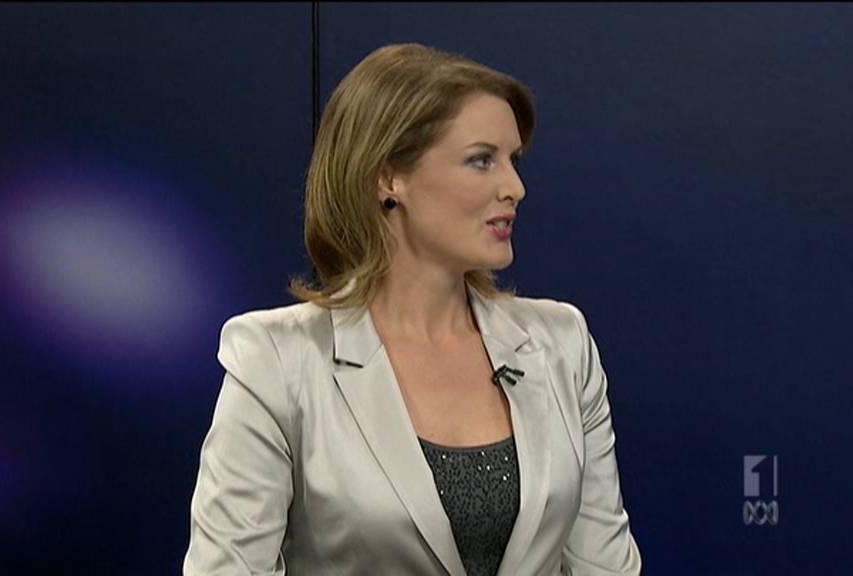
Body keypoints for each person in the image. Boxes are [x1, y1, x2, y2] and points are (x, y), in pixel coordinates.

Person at [183, 43, 642, 576]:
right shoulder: (278, 362)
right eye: (481, 160)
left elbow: (604, 566)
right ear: (389, 178)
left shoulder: (562, 344)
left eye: (512, 161)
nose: (515, 187)